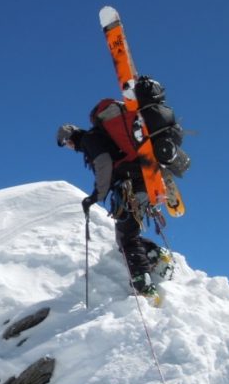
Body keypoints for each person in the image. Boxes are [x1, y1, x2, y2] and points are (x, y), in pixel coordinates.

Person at [56, 122, 170, 301]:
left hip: (130, 186)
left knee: (126, 238)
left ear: (71, 137)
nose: (70, 147)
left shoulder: (89, 139)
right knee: (126, 234)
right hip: (142, 182)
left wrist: (95, 196)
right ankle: (156, 256)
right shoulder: (99, 138)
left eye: (67, 143)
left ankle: (144, 285)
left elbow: (104, 164)